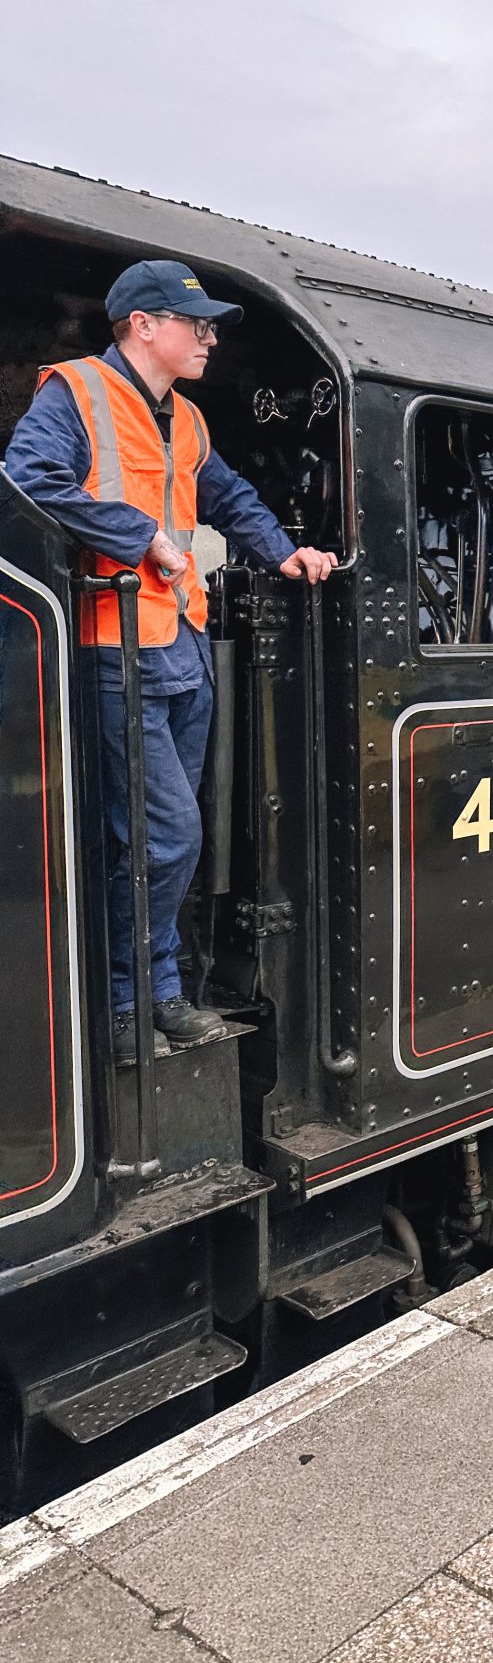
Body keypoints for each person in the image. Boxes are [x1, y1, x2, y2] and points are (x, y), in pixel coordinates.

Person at [5, 258, 338, 1062]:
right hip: (112, 649)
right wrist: (137, 536)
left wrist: (283, 553)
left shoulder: (185, 419)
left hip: (180, 647)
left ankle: (154, 993)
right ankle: (126, 1004)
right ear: (143, 326)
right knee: (163, 838)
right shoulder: (75, 393)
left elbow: (226, 495)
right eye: (197, 323)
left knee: (164, 838)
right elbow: (25, 480)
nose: (211, 337)